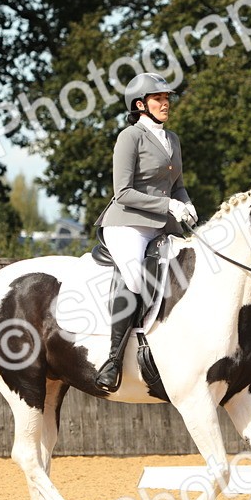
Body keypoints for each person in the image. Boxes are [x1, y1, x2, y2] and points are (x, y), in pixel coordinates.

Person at [92, 72, 198, 393]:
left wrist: (186, 205)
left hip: (163, 226)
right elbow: (122, 192)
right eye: (158, 99)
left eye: (167, 98)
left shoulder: (173, 139)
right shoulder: (130, 137)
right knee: (136, 280)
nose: (165, 104)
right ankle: (112, 361)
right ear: (140, 105)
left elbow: (177, 185)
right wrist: (167, 206)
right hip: (127, 225)